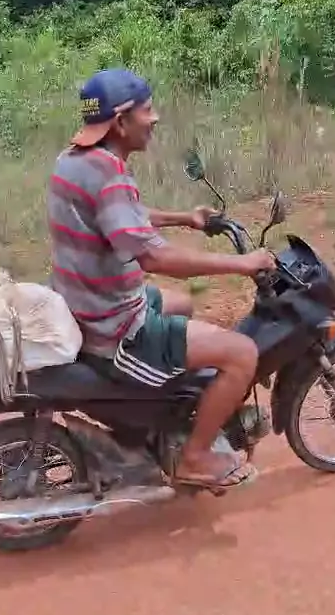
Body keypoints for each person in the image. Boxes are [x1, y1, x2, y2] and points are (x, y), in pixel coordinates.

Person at [47, 68, 276, 491]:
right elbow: (154, 257)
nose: (154, 119)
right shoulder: (108, 174)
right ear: (120, 122)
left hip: (87, 303)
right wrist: (242, 264)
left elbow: (120, 213)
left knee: (182, 304)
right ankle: (194, 458)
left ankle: (164, 419)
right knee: (242, 354)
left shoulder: (75, 160)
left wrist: (184, 218)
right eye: (147, 110)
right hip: (115, 328)